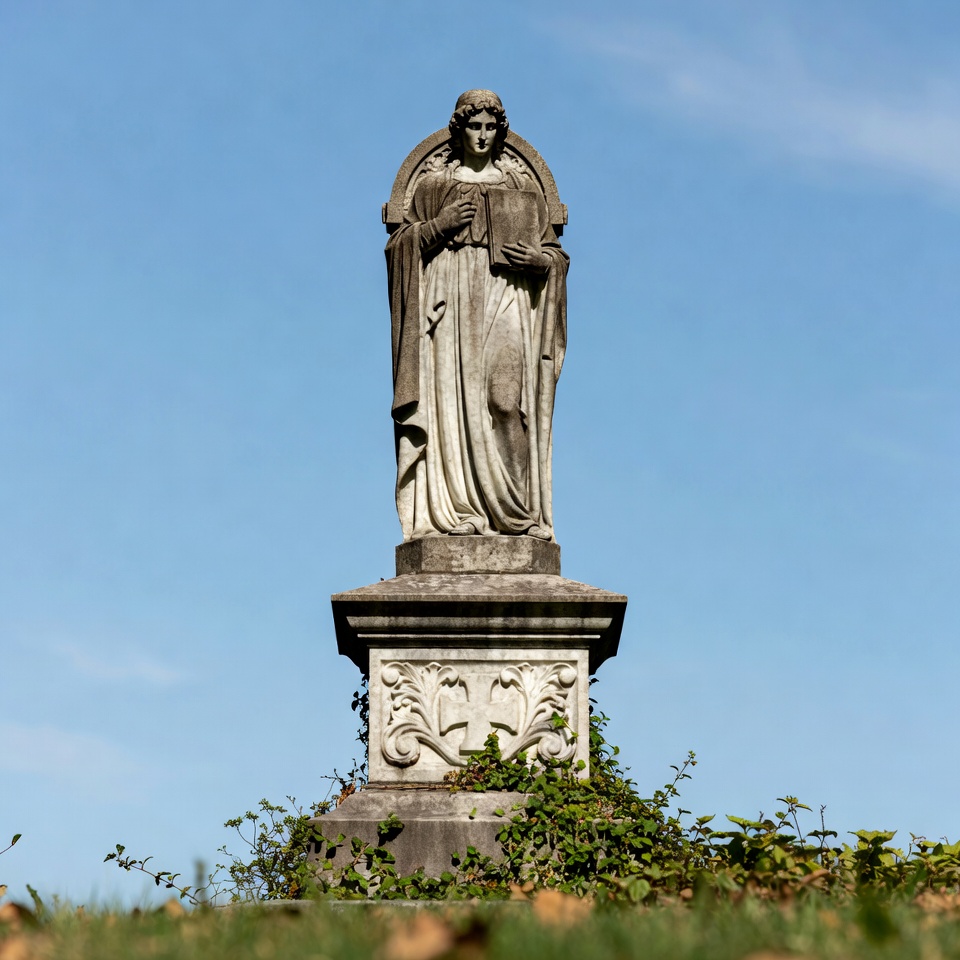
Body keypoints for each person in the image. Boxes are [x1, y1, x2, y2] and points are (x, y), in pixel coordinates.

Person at [386, 90, 568, 541]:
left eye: (490, 127)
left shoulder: (523, 192)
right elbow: (399, 249)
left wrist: (540, 263)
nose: (482, 136)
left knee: (506, 401)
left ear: (500, 132)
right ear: (459, 129)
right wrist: (439, 227)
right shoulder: (432, 189)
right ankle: (456, 505)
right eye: (474, 127)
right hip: (450, 305)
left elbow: (555, 258)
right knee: (451, 401)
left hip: (505, 295)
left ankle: (517, 514)